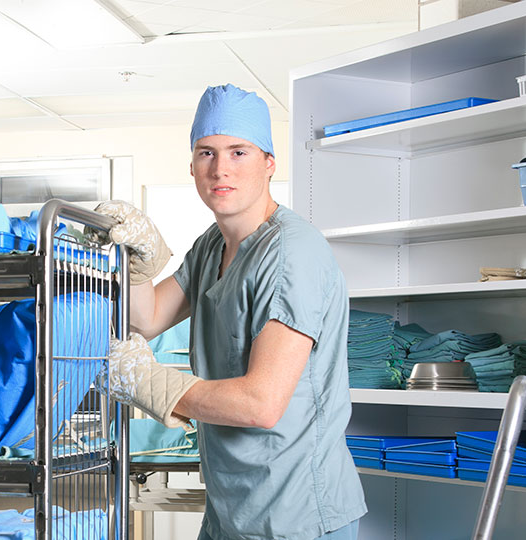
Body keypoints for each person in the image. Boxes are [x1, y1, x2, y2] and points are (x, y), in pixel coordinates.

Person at [92, 84, 366, 540]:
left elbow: (261, 404)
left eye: (239, 152)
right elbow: (148, 317)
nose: (220, 169)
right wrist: (137, 261)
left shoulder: (290, 255)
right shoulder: (211, 245)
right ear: (193, 164)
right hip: (232, 508)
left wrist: (148, 382)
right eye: (207, 153)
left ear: (269, 163)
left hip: (294, 514)